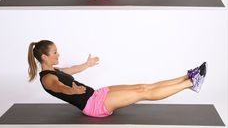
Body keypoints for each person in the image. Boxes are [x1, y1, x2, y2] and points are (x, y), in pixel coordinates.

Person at [28, 40, 207, 118]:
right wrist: (71, 90)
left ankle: (187, 77)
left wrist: (87, 64)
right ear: (44, 57)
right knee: (143, 93)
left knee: (142, 86)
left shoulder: (55, 70)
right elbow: (59, 87)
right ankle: (191, 83)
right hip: (94, 106)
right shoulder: (47, 79)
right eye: (54, 52)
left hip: (97, 94)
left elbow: (72, 70)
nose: (58, 54)